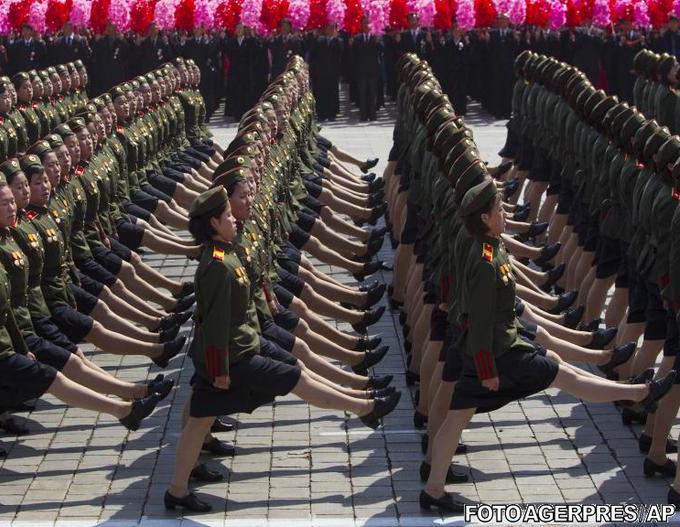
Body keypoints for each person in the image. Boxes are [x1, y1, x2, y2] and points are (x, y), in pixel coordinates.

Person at [419, 180, 676, 512]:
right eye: (498, 209)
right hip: (497, 355)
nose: (504, 213)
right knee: (560, 375)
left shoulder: (479, 243)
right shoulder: (485, 260)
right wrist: (487, 371)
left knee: (458, 416)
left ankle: (433, 489)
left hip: (491, 346)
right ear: (484, 218)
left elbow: (458, 287)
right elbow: (482, 320)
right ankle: (638, 393)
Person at [0, 186, 161, 515]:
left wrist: (22, 346)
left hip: (3, 350)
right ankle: (123, 411)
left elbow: (6, 310)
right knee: (51, 380)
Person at [163, 187, 400, 513]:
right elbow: (214, 324)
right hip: (233, 357)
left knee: (200, 418)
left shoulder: (227, 253)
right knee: (291, 378)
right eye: (228, 216)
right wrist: (219, 371)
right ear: (215, 224)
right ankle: (364, 407)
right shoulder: (217, 265)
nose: (234, 219)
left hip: (240, 346)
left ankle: (177, 489)